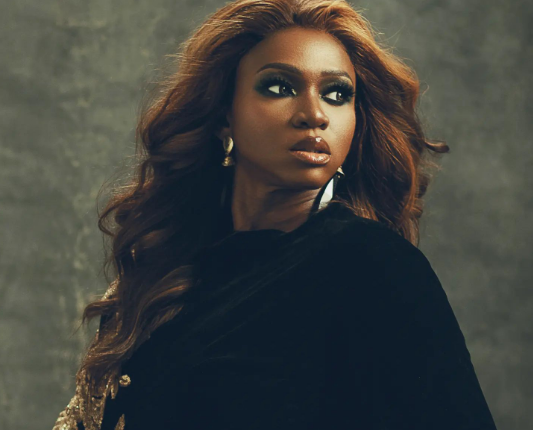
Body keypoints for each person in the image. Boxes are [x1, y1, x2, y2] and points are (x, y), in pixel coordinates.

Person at [53, 0, 498, 429]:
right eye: (280, 87)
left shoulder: (373, 266)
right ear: (224, 115)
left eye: (337, 94)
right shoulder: (164, 272)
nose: (314, 114)